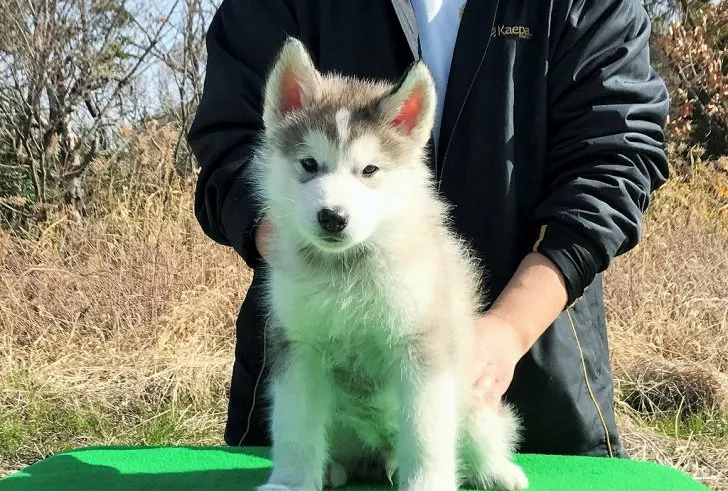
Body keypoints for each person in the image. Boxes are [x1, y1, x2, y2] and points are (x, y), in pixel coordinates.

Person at [188, 0, 669, 457]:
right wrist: (313, 267)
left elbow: (616, 157)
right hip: (315, 396)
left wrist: (507, 330)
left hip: (538, 381)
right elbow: (230, 140)